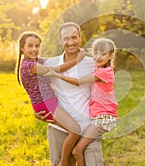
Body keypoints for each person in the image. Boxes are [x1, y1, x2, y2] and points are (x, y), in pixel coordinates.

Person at [34, 22, 104, 166]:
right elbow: (36, 87)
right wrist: (37, 110)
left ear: (80, 38)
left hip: (88, 128)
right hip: (59, 128)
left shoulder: (92, 63)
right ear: (60, 40)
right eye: (66, 38)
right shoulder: (50, 63)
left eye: (74, 37)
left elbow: (107, 89)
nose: (70, 42)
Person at [46, 38, 118, 166]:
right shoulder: (98, 68)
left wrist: (57, 75)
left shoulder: (104, 72)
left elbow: (78, 81)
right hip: (97, 117)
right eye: (96, 53)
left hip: (102, 118)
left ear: (111, 55)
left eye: (103, 53)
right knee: (77, 151)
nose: (98, 57)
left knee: (77, 151)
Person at [16, 31, 84, 166]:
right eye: (30, 46)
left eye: (37, 46)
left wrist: (72, 52)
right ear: (22, 48)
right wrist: (77, 60)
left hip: (48, 102)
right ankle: (63, 163)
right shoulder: (29, 65)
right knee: (75, 130)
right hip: (46, 104)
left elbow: (55, 60)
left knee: (74, 129)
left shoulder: (35, 61)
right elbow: (55, 69)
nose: (34, 49)